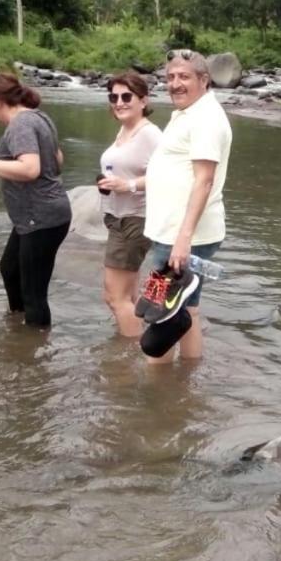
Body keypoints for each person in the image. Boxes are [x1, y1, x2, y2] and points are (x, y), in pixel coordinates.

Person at [0, 72, 70, 327]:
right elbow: (58, 160)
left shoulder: (20, 123)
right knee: (10, 268)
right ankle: (17, 327)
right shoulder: (40, 117)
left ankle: (34, 353)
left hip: (40, 217)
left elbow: (30, 169)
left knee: (34, 294)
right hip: (40, 216)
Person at [140, 49, 232, 362]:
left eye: (184, 77)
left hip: (182, 237)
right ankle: (186, 384)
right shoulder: (190, 111)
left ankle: (157, 389)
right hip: (173, 233)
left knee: (163, 314)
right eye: (170, 77)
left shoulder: (206, 119)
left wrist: (183, 239)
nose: (175, 84)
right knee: (184, 307)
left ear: (204, 80)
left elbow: (204, 180)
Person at [97, 72, 163, 337]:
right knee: (128, 296)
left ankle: (129, 357)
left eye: (127, 97)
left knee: (114, 297)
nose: (119, 102)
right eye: (114, 97)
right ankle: (138, 342)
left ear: (143, 101)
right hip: (118, 216)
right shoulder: (126, 127)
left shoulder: (151, 134)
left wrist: (129, 185)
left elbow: (169, 175)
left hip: (135, 218)